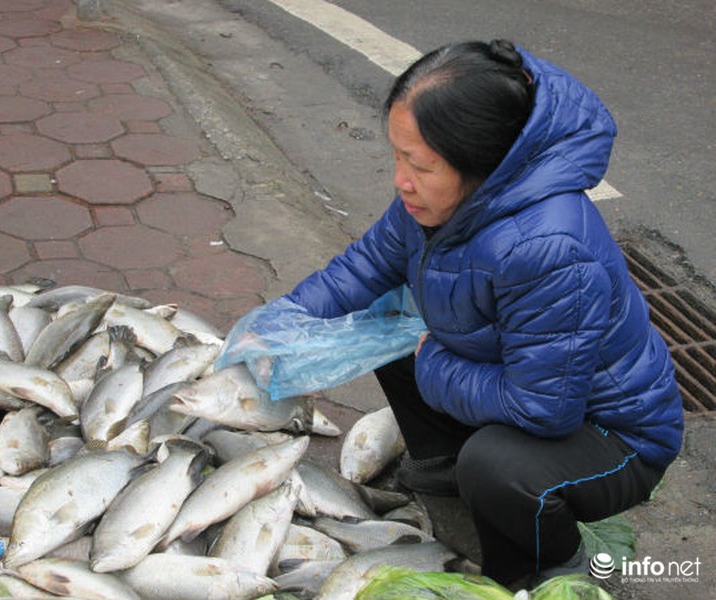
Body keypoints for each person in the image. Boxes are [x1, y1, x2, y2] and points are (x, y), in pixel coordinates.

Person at [280, 39, 684, 585]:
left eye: (419, 164)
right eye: (397, 156)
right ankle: (442, 470)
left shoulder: (550, 247)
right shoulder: (434, 200)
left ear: (483, 165)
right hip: (524, 379)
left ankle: (556, 565)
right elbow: (367, 265)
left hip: (612, 436)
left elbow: (544, 410)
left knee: (497, 467)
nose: (401, 179)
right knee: (380, 321)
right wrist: (281, 320)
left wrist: (432, 363)